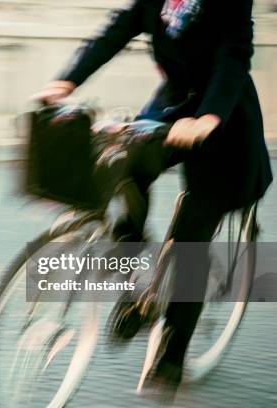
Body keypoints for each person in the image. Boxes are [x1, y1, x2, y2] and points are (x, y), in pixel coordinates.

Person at [35, 0, 273, 398]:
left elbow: (233, 57)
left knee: (191, 238)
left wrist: (209, 118)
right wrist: (67, 81)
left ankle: (173, 355)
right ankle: (134, 271)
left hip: (223, 119)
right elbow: (117, 29)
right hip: (172, 105)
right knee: (122, 163)